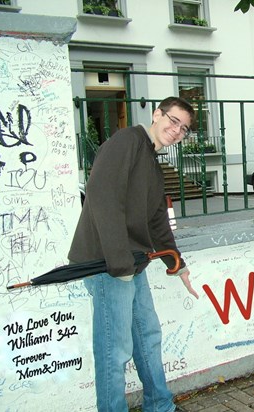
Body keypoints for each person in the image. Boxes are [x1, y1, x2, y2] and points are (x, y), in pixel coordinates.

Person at [69, 96, 199, 412]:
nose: (176, 130)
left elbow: (156, 221)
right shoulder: (126, 142)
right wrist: (120, 263)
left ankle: (160, 405)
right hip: (106, 264)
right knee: (115, 350)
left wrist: (177, 263)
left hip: (132, 263)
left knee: (147, 336)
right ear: (157, 114)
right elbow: (103, 199)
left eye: (183, 129)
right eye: (173, 120)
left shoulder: (153, 162)